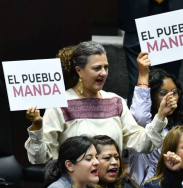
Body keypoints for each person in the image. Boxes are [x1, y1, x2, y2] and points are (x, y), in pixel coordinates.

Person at [24, 42, 167, 164]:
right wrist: (36, 126)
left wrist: (160, 116)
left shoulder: (115, 102)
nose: (103, 73)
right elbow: (39, 158)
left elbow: (143, 143)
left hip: (112, 187)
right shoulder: (60, 105)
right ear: (79, 71)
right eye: (97, 68)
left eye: (106, 67)